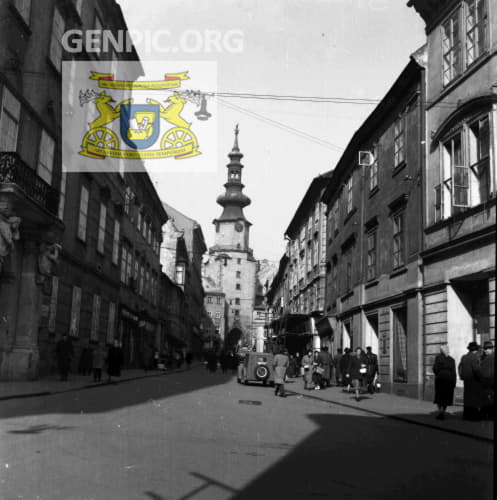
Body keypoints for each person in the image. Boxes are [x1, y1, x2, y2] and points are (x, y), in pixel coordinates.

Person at [458, 341, 483, 420]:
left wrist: (462, 376)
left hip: (466, 381)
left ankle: (466, 415)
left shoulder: (464, 357)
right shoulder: (474, 357)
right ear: (475, 350)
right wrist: (481, 378)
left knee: (467, 398)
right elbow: (476, 370)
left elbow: (459, 368)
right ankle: (474, 416)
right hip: (474, 381)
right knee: (474, 399)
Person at [432, 344, 456, 420]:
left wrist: (438, 373)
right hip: (449, 380)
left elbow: (435, 369)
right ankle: (443, 411)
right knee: (446, 397)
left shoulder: (438, 358)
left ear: (441, 350)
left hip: (440, 380)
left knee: (439, 397)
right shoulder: (452, 360)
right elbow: (454, 372)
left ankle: (440, 412)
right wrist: (454, 382)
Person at [480, 341, 494, 420]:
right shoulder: (486, 357)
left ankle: (487, 416)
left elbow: (486, 373)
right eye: (484, 349)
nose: (484, 350)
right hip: (488, 383)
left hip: (488, 383)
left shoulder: (489, 358)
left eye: (486, 349)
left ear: (490, 349)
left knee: (488, 401)